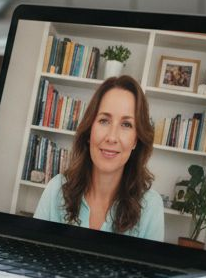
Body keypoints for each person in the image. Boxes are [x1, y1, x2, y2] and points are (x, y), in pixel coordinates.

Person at [33, 75, 164, 241]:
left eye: (126, 124)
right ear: (89, 131)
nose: (112, 137)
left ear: (135, 140)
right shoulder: (56, 189)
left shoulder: (151, 206)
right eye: (104, 121)